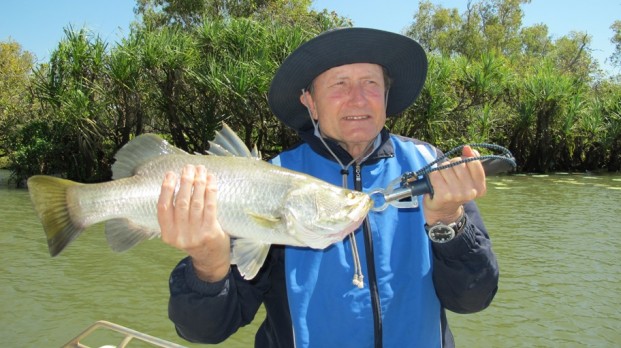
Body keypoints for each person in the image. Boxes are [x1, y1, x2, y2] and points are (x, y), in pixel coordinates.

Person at [158, 27, 499, 348]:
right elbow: (205, 330)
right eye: (338, 84)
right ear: (310, 101)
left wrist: (448, 221)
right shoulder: (261, 181)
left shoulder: (430, 165)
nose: (358, 100)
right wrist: (207, 267)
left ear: (386, 94)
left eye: (370, 83)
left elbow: (473, 298)